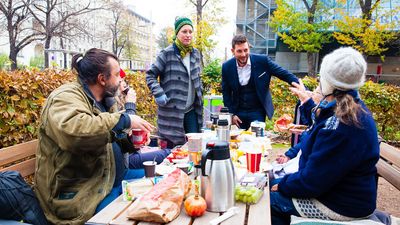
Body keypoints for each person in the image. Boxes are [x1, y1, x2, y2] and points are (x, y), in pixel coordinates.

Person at [34, 48, 154, 224]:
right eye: (117, 74)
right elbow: (76, 134)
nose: (121, 79)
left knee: (159, 185)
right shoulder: (65, 97)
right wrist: (125, 120)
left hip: (108, 182)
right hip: (78, 196)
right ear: (102, 79)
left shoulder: (105, 100)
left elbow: (108, 136)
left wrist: (131, 143)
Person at [270, 47, 380, 225]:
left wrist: (281, 185)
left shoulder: (340, 124)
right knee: (271, 183)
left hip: (338, 205)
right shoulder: (350, 109)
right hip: (342, 195)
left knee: (267, 201)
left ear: (329, 83)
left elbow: (311, 183)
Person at [221, 34, 299, 130]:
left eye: (246, 50)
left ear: (249, 48)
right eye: (239, 51)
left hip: (257, 111)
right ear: (233, 51)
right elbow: (226, 93)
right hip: (238, 112)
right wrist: (231, 115)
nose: (243, 54)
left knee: (257, 140)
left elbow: (284, 74)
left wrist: (302, 88)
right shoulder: (226, 67)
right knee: (237, 141)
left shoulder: (262, 61)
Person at [146, 16, 203, 148]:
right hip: (171, 112)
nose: (188, 35)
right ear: (177, 33)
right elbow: (150, 75)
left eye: (190, 31)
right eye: (184, 31)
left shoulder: (195, 54)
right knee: (172, 151)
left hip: (191, 111)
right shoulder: (167, 53)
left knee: (194, 148)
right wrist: (158, 93)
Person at [117, 69, 171, 168]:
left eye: (124, 80)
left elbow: (128, 136)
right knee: (168, 153)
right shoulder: (111, 104)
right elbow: (126, 130)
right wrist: (130, 105)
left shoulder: (120, 101)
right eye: (121, 81)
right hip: (124, 161)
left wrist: (142, 135)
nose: (124, 84)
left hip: (131, 153)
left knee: (168, 153)